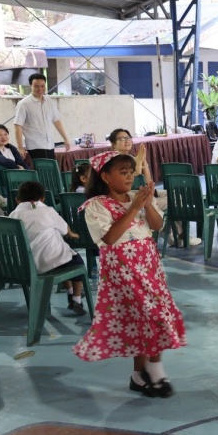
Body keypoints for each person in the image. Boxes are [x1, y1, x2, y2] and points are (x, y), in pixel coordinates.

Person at [74, 151, 186, 397]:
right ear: (104, 176)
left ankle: (139, 375)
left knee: (142, 320)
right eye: (122, 173)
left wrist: (145, 204)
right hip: (122, 270)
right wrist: (134, 208)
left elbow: (156, 226)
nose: (129, 178)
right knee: (153, 315)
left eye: (130, 172)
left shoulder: (138, 196)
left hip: (148, 266)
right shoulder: (95, 206)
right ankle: (155, 372)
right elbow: (110, 238)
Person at [109, 128, 200, 246]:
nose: (127, 141)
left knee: (175, 195)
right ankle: (178, 235)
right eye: (122, 138)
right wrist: (138, 161)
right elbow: (133, 178)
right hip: (132, 197)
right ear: (113, 144)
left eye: (128, 138)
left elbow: (148, 181)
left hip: (143, 191)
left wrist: (143, 162)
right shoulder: (113, 160)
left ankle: (169, 232)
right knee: (173, 201)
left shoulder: (131, 157)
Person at [9, 181, 86, 316]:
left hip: (25, 266)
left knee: (60, 254)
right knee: (75, 260)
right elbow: (64, 229)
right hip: (48, 264)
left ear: (17, 200)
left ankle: (69, 292)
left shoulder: (13, 215)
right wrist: (73, 234)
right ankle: (76, 299)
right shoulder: (48, 210)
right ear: (43, 199)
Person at [14, 73, 71, 160]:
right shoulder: (24, 104)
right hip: (35, 146)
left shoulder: (48, 101)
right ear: (30, 86)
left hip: (50, 145)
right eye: (36, 86)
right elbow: (18, 126)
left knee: (50, 171)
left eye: (42, 86)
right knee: (42, 172)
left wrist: (65, 139)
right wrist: (20, 147)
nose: (40, 89)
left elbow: (56, 121)